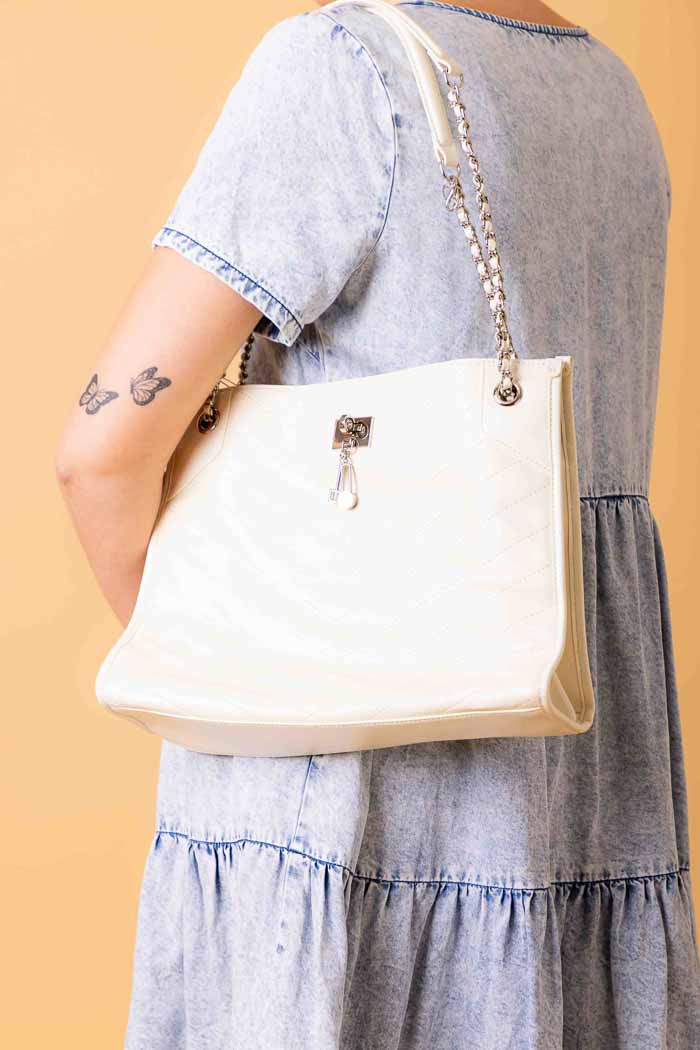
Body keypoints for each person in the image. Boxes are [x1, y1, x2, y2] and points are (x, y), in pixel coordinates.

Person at [55, 1, 700, 1046]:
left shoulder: (340, 66)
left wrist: (217, 660)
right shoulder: (611, 93)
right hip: (580, 788)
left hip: (355, 802)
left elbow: (98, 453)